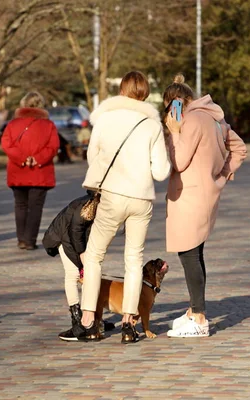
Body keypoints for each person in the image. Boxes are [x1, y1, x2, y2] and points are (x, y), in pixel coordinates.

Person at [74, 71, 171, 343]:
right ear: (144, 92)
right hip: (141, 199)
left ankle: (89, 319)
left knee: (94, 255)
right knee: (134, 260)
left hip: (112, 195)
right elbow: (162, 172)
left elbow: (92, 156)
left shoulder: (105, 119)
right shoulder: (151, 125)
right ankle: (129, 323)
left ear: (122, 90)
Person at [162, 74, 247, 338]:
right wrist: (220, 175)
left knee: (189, 255)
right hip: (205, 194)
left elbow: (180, 161)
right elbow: (240, 148)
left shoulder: (191, 121)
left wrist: (174, 132)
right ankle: (193, 309)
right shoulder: (214, 118)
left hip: (190, 195)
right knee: (195, 253)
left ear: (175, 104)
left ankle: (199, 317)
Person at [41, 191, 115, 341]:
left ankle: (93, 317)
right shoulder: (86, 208)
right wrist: (81, 256)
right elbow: (73, 234)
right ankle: (77, 320)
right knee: (73, 274)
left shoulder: (104, 206)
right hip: (63, 238)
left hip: (79, 240)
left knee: (92, 274)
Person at [1, 91, 60, 250]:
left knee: (20, 205)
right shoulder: (48, 125)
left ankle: (21, 239)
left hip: (18, 170)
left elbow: (7, 144)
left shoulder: (12, 125)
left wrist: (23, 159)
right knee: (35, 207)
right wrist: (37, 159)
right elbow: (53, 147)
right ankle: (29, 240)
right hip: (40, 172)